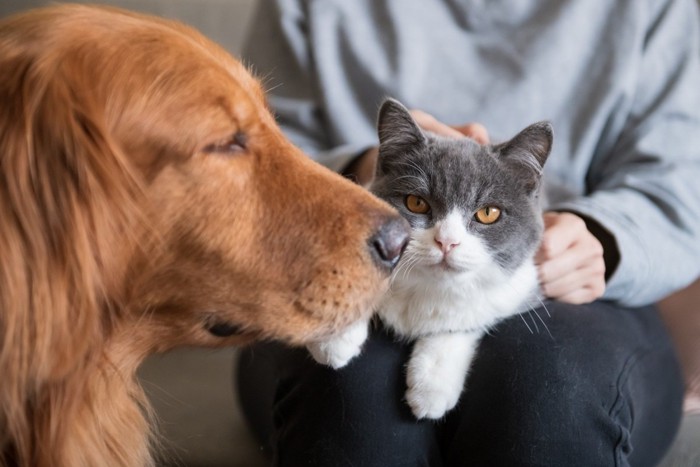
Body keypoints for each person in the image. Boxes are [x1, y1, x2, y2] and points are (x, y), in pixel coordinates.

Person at [235, 0, 700, 465]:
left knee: (554, 389)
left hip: (562, 271)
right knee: (348, 391)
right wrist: (357, 179)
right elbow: (251, 157)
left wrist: (602, 235)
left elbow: (681, 177)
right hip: (348, 247)